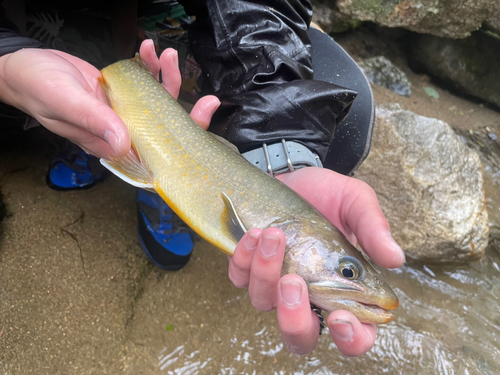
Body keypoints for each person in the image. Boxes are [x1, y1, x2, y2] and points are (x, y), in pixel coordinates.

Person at [0, 0, 405, 357]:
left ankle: (130, 154)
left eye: (347, 272)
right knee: (76, 101)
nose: (350, 280)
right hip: (32, 28)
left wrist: (283, 150)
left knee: (349, 111)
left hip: (168, 21)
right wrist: (8, 62)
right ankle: (94, 141)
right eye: (348, 272)